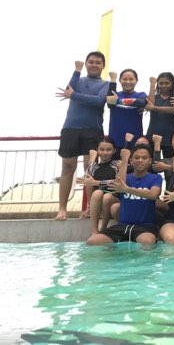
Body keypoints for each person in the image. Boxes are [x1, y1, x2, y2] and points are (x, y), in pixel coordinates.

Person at [56, 53, 110, 221]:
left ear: (103, 66)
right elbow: (68, 90)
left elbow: (99, 101)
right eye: (91, 62)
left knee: (90, 168)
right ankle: (62, 208)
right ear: (86, 64)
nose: (94, 65)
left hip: (93, 129)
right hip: (70, 128)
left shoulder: (105, 84)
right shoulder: (78, 80)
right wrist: (77, 70)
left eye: (98, 62)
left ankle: (90, 208)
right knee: (67, 167)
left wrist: (74, 95)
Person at [86, 145, 162, 246]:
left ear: (150, 161)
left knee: (147, 242)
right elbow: (119, 183)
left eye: (144, 158)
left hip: (145, 227)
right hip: (122, 226)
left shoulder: (155, 178)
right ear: (131, 160)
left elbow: (153, 194)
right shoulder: (126, 178)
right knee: (92, 242)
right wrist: (125, 159)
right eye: (136, 157)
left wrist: (127, 189)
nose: (140, 160)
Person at [75, 137, 119, 233]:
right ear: (97, 150)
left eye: (108, 149)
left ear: (114, 150)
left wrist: (96, 182)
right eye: (101, 149)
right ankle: (94, 230)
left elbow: (117, 182)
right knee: (97, 193)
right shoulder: (94, 166)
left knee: (107, 197)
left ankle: (103, 227)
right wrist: (92, 159)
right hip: (98, 199)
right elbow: (87, 178)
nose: (105, 152)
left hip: (114, 197)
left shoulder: (117, 164)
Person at [106, 69, 147, 157]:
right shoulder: (115, 94)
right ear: (120, 80)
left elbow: (141, 102)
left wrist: (117, 101)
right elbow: (110, 104)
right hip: (115, 139)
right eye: (125, 79)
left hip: (135, 140)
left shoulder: (141, 95)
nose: (128, 82)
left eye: (131, 79)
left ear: (136, 80)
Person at [145, 72, 174, 158]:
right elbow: (149, 105)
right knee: (151, 163)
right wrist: (152, 84)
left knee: (169, 162)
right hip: (152, 135)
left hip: (169, 136)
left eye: (167, 83)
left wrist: (154, 108)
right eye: (161, 83)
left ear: (172, 84)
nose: (164, 85)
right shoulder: (154, 97)